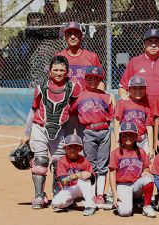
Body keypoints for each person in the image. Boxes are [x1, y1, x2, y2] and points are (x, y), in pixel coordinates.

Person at [21, 55, 81, 209]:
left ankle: (59, 194)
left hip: (61, 129)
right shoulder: (41, 88)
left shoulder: (74, 88)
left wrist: (74, 133)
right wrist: (26, 133)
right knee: (40, 162)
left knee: (59, 163)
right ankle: (39, 196)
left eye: (62, 70)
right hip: (40, 127)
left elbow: (75, 110)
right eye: (55, 70)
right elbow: (33, 110)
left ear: (67, 72)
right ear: (49, 71)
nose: (59, 73)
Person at [70, 66, 114, 208]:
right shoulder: (80, 96)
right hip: (88, 131)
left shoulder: (106, 96)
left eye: (96, 78)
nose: (93, 81)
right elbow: (70, 110)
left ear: (100, 80)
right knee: (90, 163)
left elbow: (113, 114)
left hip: (104, 131)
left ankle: (100, 194)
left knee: (102, 165)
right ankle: (90, 194)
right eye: (89, 78)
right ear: (85, 79)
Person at [109, 122, 157, 218]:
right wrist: (114, 194)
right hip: (123, 185)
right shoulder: (116, 153)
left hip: (136, 185)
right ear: (120, 137)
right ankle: (133, 201)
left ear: (136, 137)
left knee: (149, 178)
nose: (128, 137)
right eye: (125, 135)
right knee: (125, 213)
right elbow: (112, 174)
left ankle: (146, 206)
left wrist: (145, 171)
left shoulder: (141, 152)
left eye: (131, 135)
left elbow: (147, 168)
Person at [51, 134, 97, 216]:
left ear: (80, 149)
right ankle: (70, 202)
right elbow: (64, 182)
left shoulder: (84, 160)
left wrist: (89, 174)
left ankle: (90, 206)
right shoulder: (62, 161)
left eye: (75, 147)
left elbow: (93, 180)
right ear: (65, 149)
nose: (72, 150)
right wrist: (77, 175)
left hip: (83, 187)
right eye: (69, 147)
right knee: (56, 203)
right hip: (70, 187)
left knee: (85, 179)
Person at [56, 21, 105, 90]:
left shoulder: (92, 57)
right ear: (64, 37)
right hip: (65, 98)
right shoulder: (58, 57)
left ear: (82, 36)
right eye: (69, 33)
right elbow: (53, 82)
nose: (73, 37)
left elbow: (100, 83)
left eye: (76, 33)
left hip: (87, 99)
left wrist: (98, 98)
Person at [114, 76, 154, 156]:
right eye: (134, 88)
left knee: (144, 164)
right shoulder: (123, 103)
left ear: (145, 89)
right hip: (127, 140)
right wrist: (117, 139)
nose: (138, 91)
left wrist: (150, 147)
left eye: (141, 88)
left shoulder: (146, 106)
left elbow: (149, 127)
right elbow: (117, 121)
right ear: (129, 89)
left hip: (142, 141)